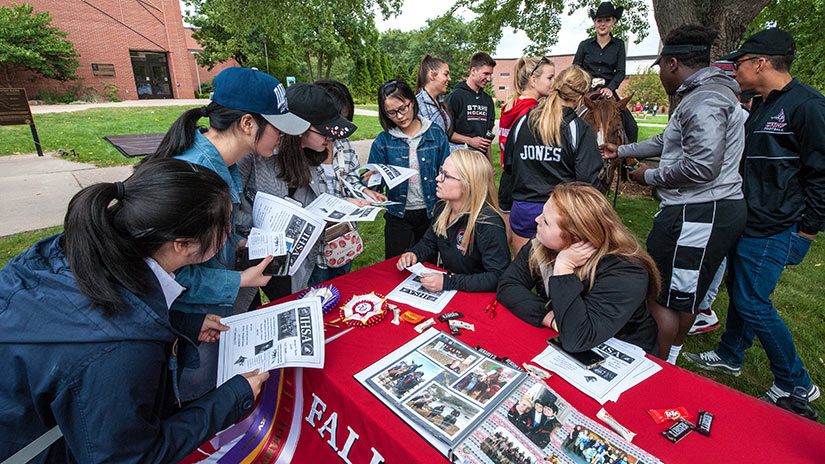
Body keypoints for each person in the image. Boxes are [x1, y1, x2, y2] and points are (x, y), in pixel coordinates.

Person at [0, 159, 269, 463]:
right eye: (224, 225)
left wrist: (183, 323)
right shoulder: (121, 350)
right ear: (182, 244)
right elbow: (131, 456)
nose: (230, 232)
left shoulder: (80, 251)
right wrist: (232, 397)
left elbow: (84, 321)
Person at [143, 66, 308, 400]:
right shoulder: (197, 177)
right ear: (248, 124)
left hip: (214, 317)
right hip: (192, 327)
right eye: (278, 127)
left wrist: (240, 242)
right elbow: (163, 272)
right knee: (199, 407)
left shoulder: (225, 165)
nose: (283, 136)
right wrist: (239, 280)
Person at [685, 28, 825, 419]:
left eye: (741, 63)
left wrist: (807, 229)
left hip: (780, 225)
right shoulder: (761, 105)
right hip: (751, 218)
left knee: (753, 301)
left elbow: (820, 173)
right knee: (739, 290)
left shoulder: (808, 106)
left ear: (761, 63)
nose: (736, 70)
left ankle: (795, 381)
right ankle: (731, 354)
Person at [601, 25, 747, 363]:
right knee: (684, 294)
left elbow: (701, 167)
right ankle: (671, 358)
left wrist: (648, 175)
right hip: (702, 209)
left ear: (673, 64)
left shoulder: (704, 101)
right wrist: (621, 151)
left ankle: (656, 365)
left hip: (698, 211)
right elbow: (669, 140)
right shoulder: (704, 94)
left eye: (662, 67)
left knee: (663, 295)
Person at [497, 182, 660, 354]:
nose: (536, 220)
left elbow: (578, 338)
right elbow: (508, 285)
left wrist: (564, 268)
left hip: (625, 355)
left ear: (574, 239)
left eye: (546, 221)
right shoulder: (541, 245)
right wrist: (550, 319)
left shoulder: (626, 273)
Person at [236, 82, 359, 307]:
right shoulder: (257, 155)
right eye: (324, 131)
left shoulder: (311, 156)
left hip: (299, 264)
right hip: (253, 258)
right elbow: (234, 210)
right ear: (299, 129)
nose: (330, 138)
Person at [502, 65, 602, 256]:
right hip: (560, 214)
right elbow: (586, 182)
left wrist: (505, 208)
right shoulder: (577, 128)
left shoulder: (524, 121)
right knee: (556, 276)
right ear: (580, 97)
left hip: (524, 209)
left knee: (521, 274)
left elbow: (509, 168)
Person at [307, 79, 387, 286]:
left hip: (345, 241)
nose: (337, 129)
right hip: (314, 250)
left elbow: (351, 180)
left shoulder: (344, 145)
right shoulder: (303, 149)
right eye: (334, 120)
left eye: (343, 120)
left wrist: (365, 192)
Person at [396, 149, 510, 292]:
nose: (438, 178)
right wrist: (414, 254)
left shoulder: (489, 223)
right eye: (441, 171)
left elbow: (498, 276)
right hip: (452, 290)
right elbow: (429, 242)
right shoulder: (442, 209)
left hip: (476, 298)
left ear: (468, 184)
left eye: (446, 175)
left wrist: (448, 282)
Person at [369, 79, 451, 259]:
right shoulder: (383, 141)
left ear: (412, 102)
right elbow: (373, 180)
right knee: (395, 268)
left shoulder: (436, 134)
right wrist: (369, 185)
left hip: (430, 213)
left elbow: (447, 172)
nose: (399, 116)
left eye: (402, 108)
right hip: (398, 215)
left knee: (426, 267)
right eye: (391, 112)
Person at [498, 56, 556, 241]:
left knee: (507, 242)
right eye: (549, 77)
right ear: (533, 80)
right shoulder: (531, 113)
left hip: (508, 181)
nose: (553, 83)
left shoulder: (510, 105)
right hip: (525, 187)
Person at [573, 1, 638, 143]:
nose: (602, 24)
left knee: (632, 127)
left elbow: (620, 71)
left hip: (608, 91)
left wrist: (610, 88)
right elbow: (576, 69)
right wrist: (585, 85)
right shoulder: (584, 45)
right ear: (594, 22)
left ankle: (629, 160)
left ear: (613, 21)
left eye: (607, 20)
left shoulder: (619, 45)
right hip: (586, 91)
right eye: (599, 20)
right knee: (566, 120)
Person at [445, 52, 497, 167]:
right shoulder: (455, 96)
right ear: (473, 70)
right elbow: (447, 133)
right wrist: (470, 141)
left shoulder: (488, 101)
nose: (489, 78)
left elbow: (487, 138)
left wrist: (490, 166)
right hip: (460, 161)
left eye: (490, 74)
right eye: (486, 74)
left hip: (480, 163)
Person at [415, 55, 460, 151]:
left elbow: (442, 140)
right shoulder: (418, 105)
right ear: (432, 75)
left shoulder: (440, 102)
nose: (449, 79)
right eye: (446, 74)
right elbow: (428, 145)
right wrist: (462, 150)